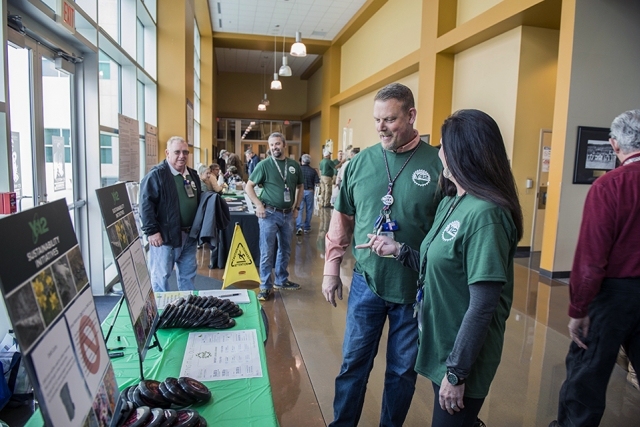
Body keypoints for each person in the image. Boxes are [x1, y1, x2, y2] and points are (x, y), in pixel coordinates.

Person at [359, 109, 522, 427]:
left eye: (443, 146)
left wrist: (457, 373)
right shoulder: (452, 201)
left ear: (462, 153)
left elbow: (483, 306)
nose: (438, 153)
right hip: (441, 343)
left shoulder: (487, 216)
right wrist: (399, 251)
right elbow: (440, 267)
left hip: (461, 357)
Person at [322, 83, 443, 427]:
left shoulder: (436, 163)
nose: (381, 127)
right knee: (352, 365)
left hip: (413, 290)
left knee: (402, 373)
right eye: (377, 120)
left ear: (411, 115)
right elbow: (341, 219)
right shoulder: (360, 163)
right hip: (367, 282)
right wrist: (332, 268)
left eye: (389, 119)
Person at [550, 109, 640, 427]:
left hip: (615, 294)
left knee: (587, 375)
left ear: (615, 145)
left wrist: (579, 308)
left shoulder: (610, 187)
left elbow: (591, 257)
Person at [246, 132, 304, 301]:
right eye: (271, 145)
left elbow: (301, 187)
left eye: (277, 144)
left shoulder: (294, 165)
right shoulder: (264, 165)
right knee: (267, 251)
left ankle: (281, 279)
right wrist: (258, 205)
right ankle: (265, 286)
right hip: (269, 214)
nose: (274, 147)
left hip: (287, 215)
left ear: (284, 145)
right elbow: (249, 187)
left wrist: (297, 208)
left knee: (285, 249)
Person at [140, 136, 202, 292]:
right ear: (167, 153)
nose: (182, 156)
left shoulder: (193, 175)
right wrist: (152, 232)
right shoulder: (157, 175)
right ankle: (161, 313)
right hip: (165, 236)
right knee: (160, 276)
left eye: (185, 152)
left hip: (190, 236)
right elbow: (145, 205)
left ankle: (188, 309)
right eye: (177, 152)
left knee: (188, 275)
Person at [296, 154, 320, 235]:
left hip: (300, 191)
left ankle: (299, 226)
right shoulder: (313, 171)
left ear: (302, 161)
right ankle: (307, 227)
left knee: (299, 208)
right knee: (309, 209)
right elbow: (317, 182)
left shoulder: (298, 169)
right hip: (310, 191)